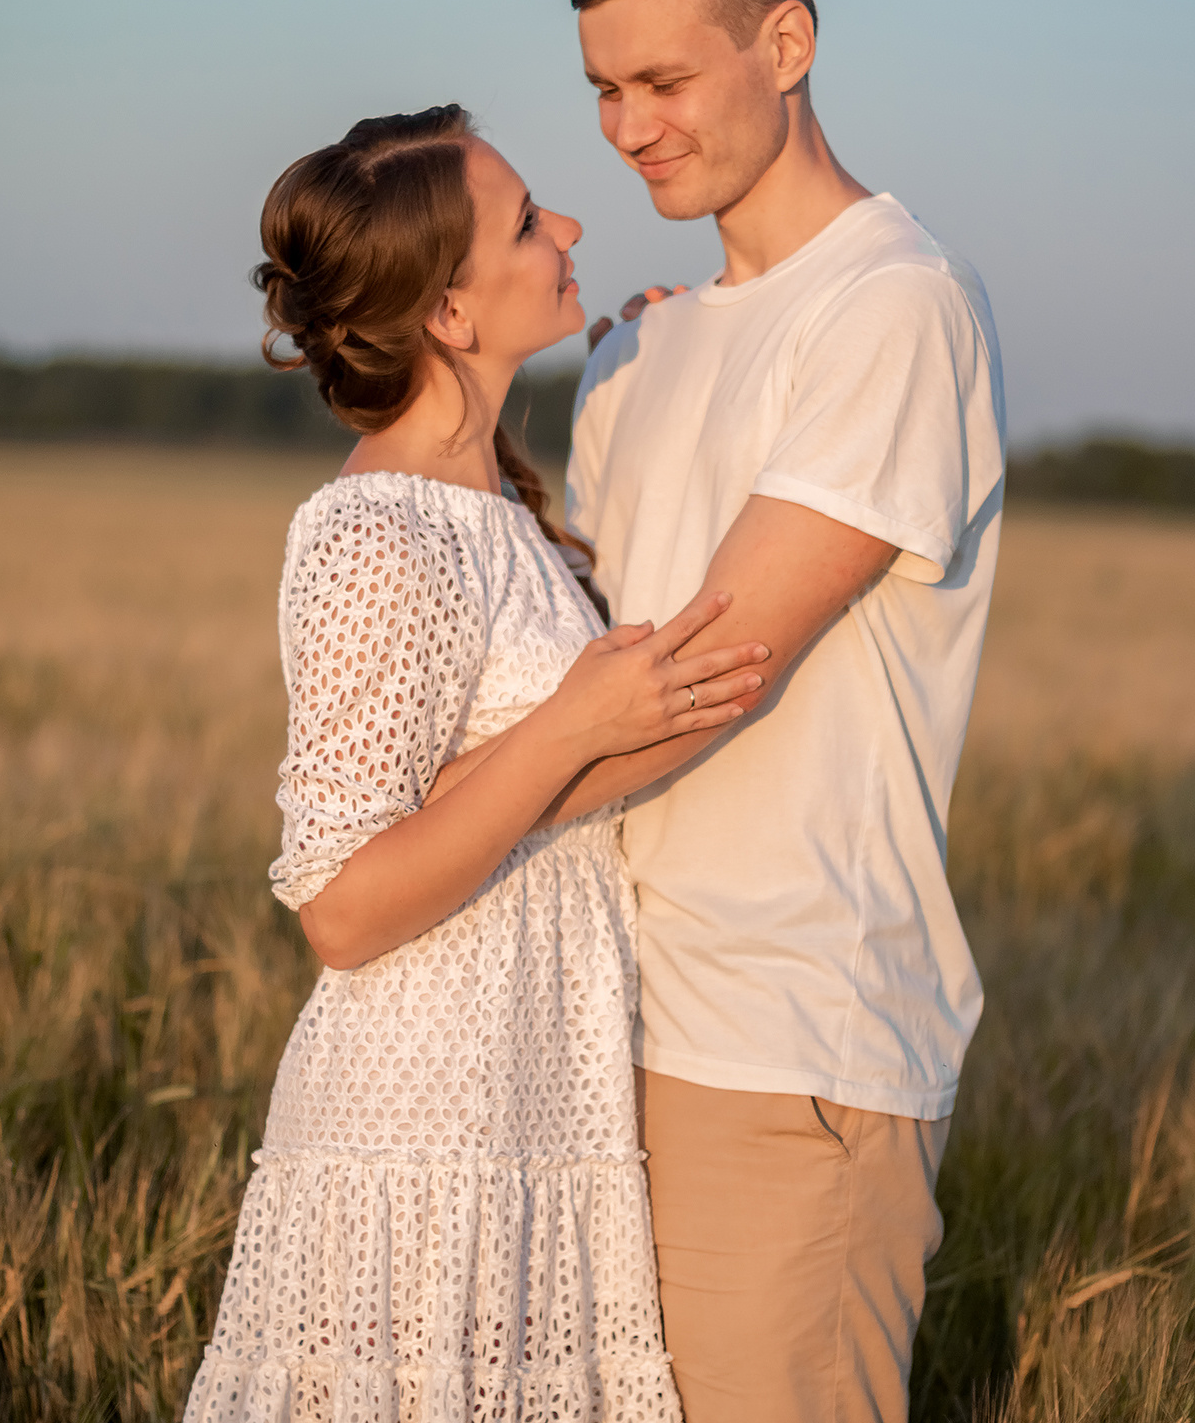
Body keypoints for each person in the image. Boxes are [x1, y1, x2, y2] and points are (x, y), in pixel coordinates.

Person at [184, 104, 773, 1423]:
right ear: (450, 312)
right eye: (524, 222)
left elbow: (546, 769)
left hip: (535, 1107)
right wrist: (567, 721)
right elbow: (341, 909)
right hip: (424, 1122)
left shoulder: (491, 503)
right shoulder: (371, 536)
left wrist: (670, 373)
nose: (566, 228)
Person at [565, 0, 1006, 1423]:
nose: (629, 128)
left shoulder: (895, 306)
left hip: (784, 1040)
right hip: (592, 1022)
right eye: (606, 90)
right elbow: (569, 647)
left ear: (790, 39)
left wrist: (418, 851)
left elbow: (707, 676)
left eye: (667, 81)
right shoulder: (638, 345)